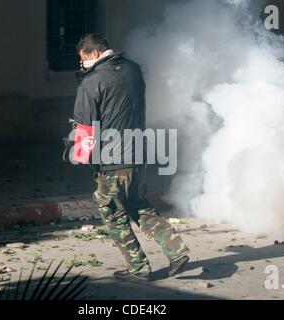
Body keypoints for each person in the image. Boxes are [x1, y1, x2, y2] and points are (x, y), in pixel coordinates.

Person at [71, 33, 190, 282]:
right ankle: (176, 252)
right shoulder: (133, 69)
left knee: (113, 214)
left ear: (93, 54)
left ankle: (138, 268)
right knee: (138, 204)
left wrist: (82, 157)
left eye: (82, 59)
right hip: (138, 152)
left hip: (112, 159)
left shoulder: (92, 81)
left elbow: (84, 125)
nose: (81, 64)